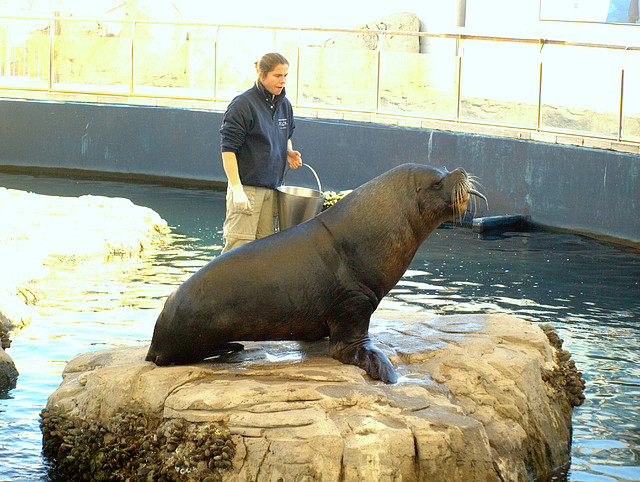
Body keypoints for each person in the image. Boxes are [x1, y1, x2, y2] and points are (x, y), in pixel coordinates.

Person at [219, 52, 302, 254]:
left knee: (264, 252)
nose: (282, 81)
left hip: (272, 189)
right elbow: (228, 150)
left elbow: (285, 135)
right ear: (262, 75)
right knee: (237, 251)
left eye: (285, 76)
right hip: (247, 189)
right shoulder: (243, 105)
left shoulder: (285, 105)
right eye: (277, 75)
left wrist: (287, 151)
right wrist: (237, 189)